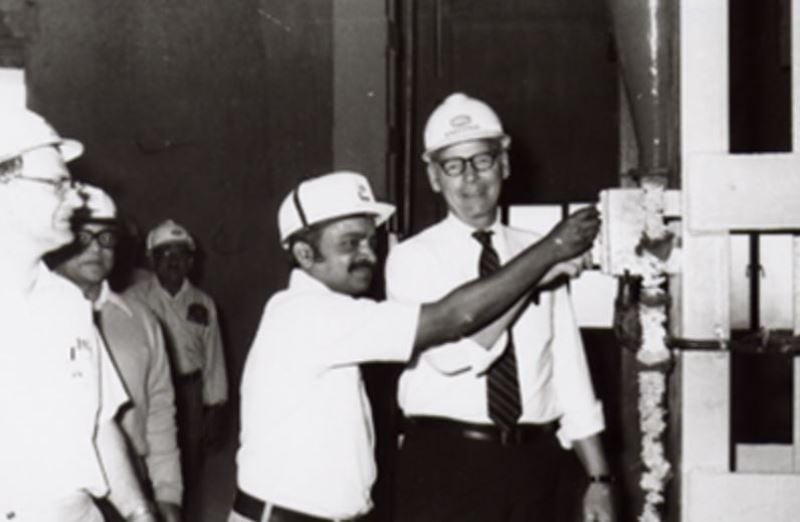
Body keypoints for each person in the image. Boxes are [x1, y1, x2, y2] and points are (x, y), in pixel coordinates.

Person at [230, 171, 600, 522]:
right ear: (305, 254)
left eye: (370, 241)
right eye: (350, 243)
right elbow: (456, 319)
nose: (369, 255)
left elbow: (469, 338)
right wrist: (550, 251)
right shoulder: (307, 314)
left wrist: (535, 278)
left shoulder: (329, 314)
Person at [385, 92, 616, 522]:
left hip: (536, 467)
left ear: (504, 164)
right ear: (434, 177)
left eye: (482, 160)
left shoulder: (540, 250)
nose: (471, 178)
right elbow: (452, 356)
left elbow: (569, 370)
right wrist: (536, 274)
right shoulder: (411, 258)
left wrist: (599, 478)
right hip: (445, 466)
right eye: (453, 166)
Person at [0, 109, 157, 521]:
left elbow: (99, 424)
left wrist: (140, 512)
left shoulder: (68, 304)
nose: (76, 199)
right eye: (58, 185)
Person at [49, 186, 183, 522]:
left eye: (106, 237)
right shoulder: (27, 316)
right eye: (82, 237)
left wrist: (168, 492)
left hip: (133, 494)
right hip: (60, 500)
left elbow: (160, 412)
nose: (96, 248)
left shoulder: (141, 320)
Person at [126, 219, 228, 514]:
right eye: (165, 254)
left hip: (189, 391)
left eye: (180, 254)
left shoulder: (203, 303)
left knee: (189, 466)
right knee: (148, 463)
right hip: (149, 392)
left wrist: (215, 406)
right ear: (152, 260)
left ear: (191, 261)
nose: (173, 261)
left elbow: (214, 356)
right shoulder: (134, 299)